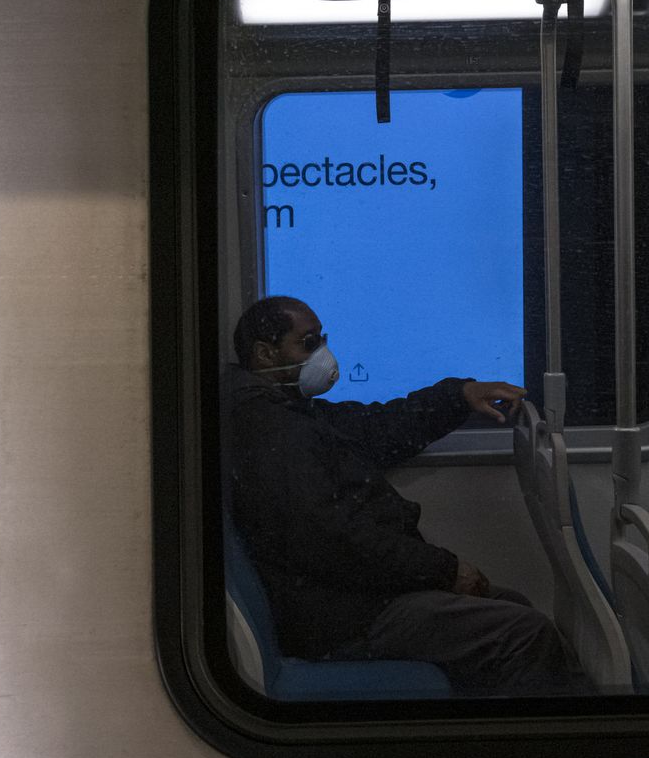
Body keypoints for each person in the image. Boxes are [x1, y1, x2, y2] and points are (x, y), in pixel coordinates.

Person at [221, 295, 585, 695]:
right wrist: (443, 569)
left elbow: (376, 427)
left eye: (322, 340)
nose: (323, 354)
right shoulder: (271, 429)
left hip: (348, 598)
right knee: (524, 633)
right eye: (308, 344)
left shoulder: (293, 412)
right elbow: (333, 539)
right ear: (265, 353)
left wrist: (458, 396)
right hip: (342, 618)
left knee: (513, 603)